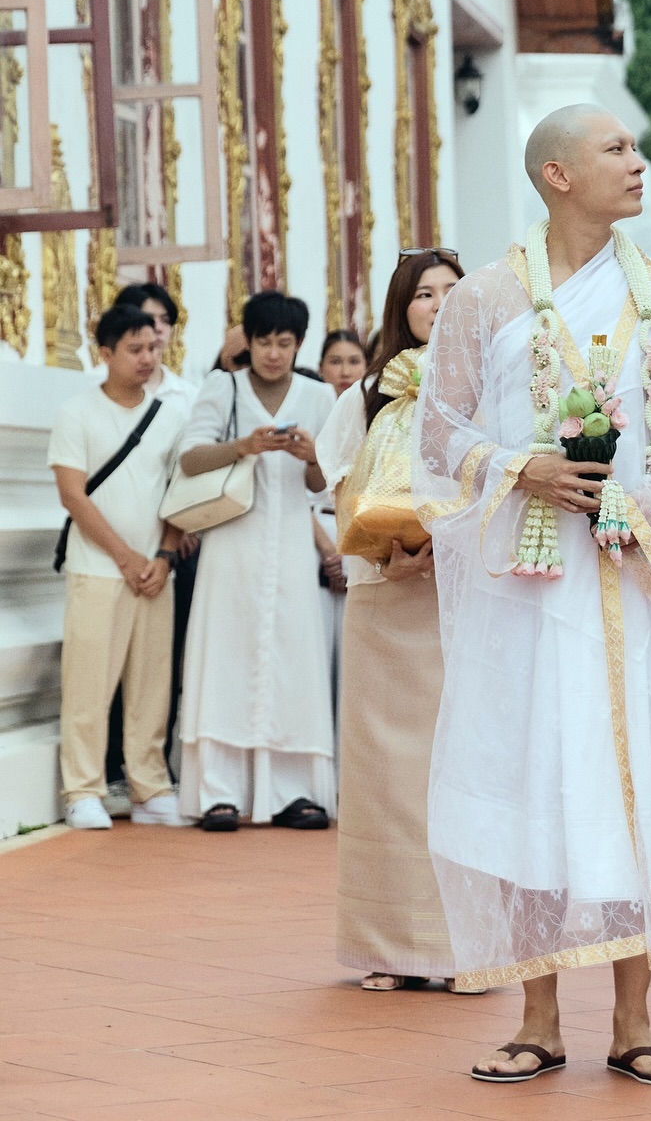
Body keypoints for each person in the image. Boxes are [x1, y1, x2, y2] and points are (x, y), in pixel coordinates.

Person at [415, 106, 651, 1087]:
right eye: (616, 150)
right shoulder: (484, 298)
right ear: (556, 174)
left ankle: (636, 1019)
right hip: (528, 592)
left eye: (636, 148)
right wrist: (524, 469)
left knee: (637, 784)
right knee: (534, 789)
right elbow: (437, 436)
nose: (637, 165)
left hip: (636, 588)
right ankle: (537, 1017)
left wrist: (642, 511)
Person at [316, 251, 479, 992]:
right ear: (400, 308)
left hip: (461, 604)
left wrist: (452, 546)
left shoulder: (487, 389)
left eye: (452, 290)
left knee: (459, 774)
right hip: (386, 599)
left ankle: (459, 949)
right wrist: (388, 554)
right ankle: (386, 946)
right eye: (424, 294)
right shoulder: (365, 397)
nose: (439, 303)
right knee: (384, 779)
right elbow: (345, 490)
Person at [175, 290, 336, 830]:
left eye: (283, 343)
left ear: (299, 344)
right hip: (231, 545)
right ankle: (219, 792)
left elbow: (323, 482)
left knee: (292, 663)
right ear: (249, 340)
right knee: (225, 660)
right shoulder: (225, 387)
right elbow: (192, 457)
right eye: (263, 341)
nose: (272, 353)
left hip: (292, 541)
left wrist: (310, 455)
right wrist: (244, 447)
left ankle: (292, 792)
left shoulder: (318, 397)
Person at [48, 305, 190, 829]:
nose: (147, 358)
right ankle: (81, 788)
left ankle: (149, 785)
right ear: (104, 353)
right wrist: (126, 556)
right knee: (88, 685)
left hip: (155, 575)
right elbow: (73, 494)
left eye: (154, 347)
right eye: (135, 349)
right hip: (98, 570)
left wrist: (163, 556)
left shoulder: (172, 415)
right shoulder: (77, 412)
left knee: (152, 686)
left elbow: (182, 494)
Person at [312, 328, 366, 713]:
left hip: (360, 540)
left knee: (354, 657)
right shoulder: (309, 409)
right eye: (335, 361)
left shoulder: (373, 411)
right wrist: (328, 550)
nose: (344, 370)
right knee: (313, 654)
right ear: (320, 367)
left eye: (353, 361)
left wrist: (349, 551)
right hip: (313, 534)